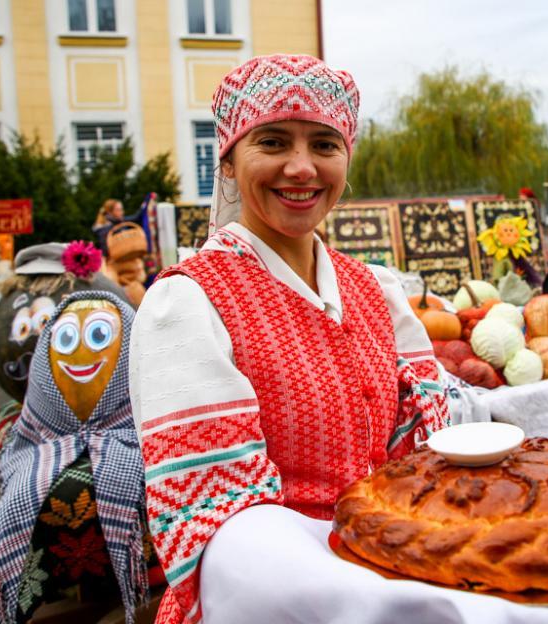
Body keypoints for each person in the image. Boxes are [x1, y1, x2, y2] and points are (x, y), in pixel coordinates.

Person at [130, 54, 449, 624]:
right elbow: (222, 529)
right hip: (270, 602)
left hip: (390, 577)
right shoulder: (187, 304)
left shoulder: (375, 289)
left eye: (325, 145)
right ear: (227, 162)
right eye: (273, 142)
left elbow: (420, 457)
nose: (302, 168)